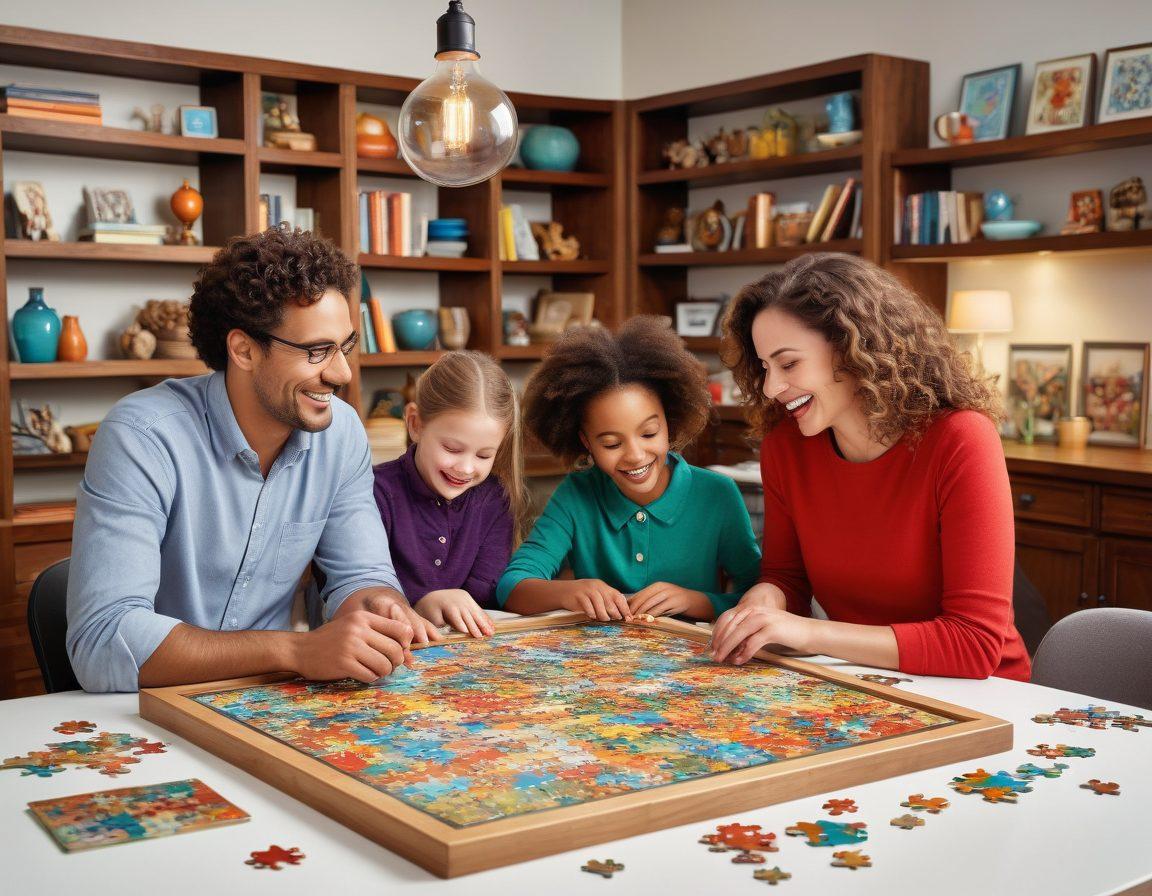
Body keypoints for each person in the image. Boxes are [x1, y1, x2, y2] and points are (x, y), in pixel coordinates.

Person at [66, 226, 439, 693]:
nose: (342, 373)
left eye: (345, 346)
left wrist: (381, 605)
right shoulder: (142, 437)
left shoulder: (341, 434)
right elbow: (102, 643)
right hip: (145, 707)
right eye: (317, 351)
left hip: (270, 701)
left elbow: (360, 575)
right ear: (243, 350)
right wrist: (295, 651)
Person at [709, 253, 1030, 681]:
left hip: (985, 694)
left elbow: (973, 644)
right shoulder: (785, 447)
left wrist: (808, 633)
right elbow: (788, 579)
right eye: (765, 367)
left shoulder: (960, 438)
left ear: (853, 348)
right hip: (867, 683)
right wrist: (764, 603)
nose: (771, 387)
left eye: (788, 364)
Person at [497, 316, 761, 621]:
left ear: (669, 422)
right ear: (586, 442)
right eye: (611, 444)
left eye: (649, 434)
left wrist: (694, 601)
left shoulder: (717, 495)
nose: (635, 456)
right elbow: (512, 586)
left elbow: (758, 595)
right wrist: (570, 592)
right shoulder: (577, 494)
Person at [373, 351, 529, 638]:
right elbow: (360, 591)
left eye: (484, 455)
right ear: (415, 424)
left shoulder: (493, 499)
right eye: (452, 449)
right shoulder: (376, 493)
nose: (466, 468)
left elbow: (485, 591)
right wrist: (421, 605)